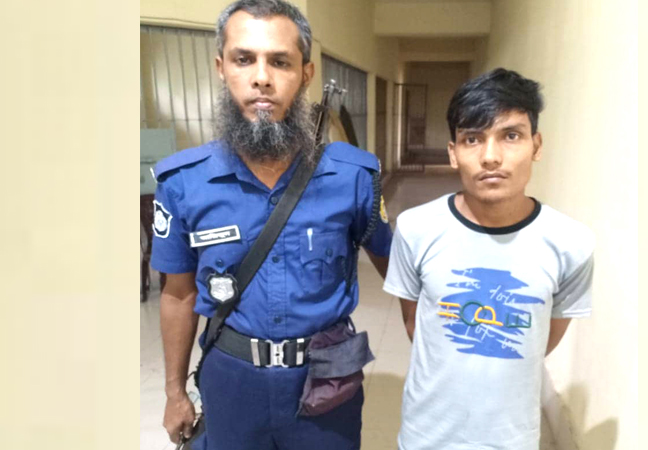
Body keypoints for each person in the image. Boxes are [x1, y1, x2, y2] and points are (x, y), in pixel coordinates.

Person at [150, 1, 392, 449]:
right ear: (221, 68)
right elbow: (177, 294)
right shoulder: (183, 183)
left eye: (280, 62)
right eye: (244, 59)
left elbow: (400, 272)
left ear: (306, 73)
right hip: (231, 378)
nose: (262, 77)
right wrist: (174, 393)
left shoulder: (355, 176)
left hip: (327, 380)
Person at [382, 68, 595, 450]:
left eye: (511, 136)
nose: (491, 157)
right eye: (472, 139)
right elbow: (416, 324)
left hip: (511, 438)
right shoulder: (415, 229)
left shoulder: (571, 244)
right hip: (426, 435)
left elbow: (540, 339)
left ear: (536, 145)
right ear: (453, 153)